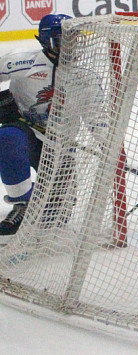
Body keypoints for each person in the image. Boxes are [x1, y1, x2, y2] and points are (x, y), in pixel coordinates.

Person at [0, 14, 72, 242]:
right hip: (26, 135)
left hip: (60, 147)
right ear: (46, 40)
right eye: (63, 40)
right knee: (7, 136)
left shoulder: (84, 76)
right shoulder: (22, 61)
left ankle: (42, 197)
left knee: (55, 217)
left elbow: (98, 117)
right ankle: (22, 202)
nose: (71, 47)